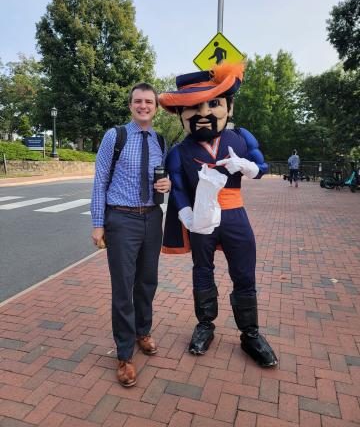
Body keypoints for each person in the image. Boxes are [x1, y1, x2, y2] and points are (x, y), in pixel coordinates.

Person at [159, 62, 278, 368]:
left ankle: (250, 333)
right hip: (201, 219)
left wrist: (248, 168)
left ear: (229, 105)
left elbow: (261, 168)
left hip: (235, 213)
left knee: (244, 272)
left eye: (213, 103)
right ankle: (205, 325)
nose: (204, 112)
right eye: (194, 107)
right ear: (181, 114)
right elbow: (178, 187)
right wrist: (185, 213)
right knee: (202, 271)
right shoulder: (179, 151)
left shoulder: (240, 138)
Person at [91, 83, 171, 387]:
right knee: (123, 287)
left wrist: (168, 186)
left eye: (149, 102)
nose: (143, 106)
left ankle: (143, 331)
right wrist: (98, 224)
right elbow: (100, 182)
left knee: (147, 280)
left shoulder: (160, 141)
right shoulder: (115, 136)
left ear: (156, 107)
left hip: (152, 218)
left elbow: (164, 178)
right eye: (138, 101)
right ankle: (124, 355)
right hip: (121, 219)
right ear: (130, 106)